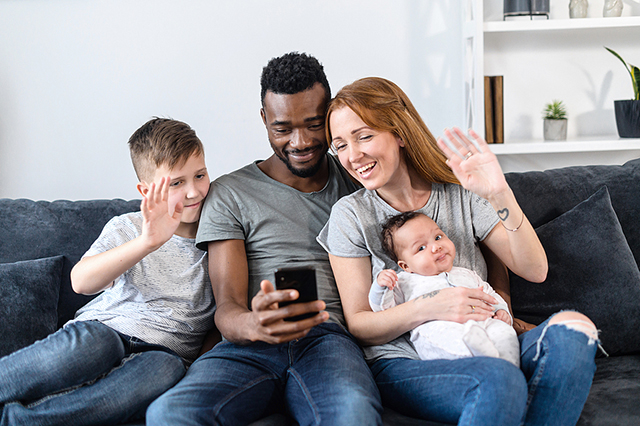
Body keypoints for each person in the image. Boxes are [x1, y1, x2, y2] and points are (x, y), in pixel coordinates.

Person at [317, 76, 598, 426]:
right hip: (408, 362)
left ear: (400, 133)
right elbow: (360, 323)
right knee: (497, 379)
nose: (352, 156)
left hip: (490, 339)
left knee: (576, 330)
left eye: (364, 136)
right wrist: (432, 306)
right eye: (340, 145)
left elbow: (535, 269)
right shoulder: (350, 215)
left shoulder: (460, 193)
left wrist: (499, 193)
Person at [147, 52, 382, 426]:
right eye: (283, 128)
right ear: (263, 120)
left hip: (327, 339)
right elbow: (227, 308)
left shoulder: (359, 177)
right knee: (169, 413)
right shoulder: (230, 193)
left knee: (353, 415)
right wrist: (254, 324)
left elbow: (448, 210)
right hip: (249, 344)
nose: (300, 141)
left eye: (313, 124)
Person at [0, 118, 215, 425]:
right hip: (107, 329)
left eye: (200, 175)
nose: (194, 192)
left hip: (164, 353)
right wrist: (147, 242)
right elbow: (81, 282)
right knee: (98, 346)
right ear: (146, 190)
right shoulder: (129, 226)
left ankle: (16, 421)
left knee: (166, 370)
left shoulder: (220, 234)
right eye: (177, 183)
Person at [371, 211, 520, 367]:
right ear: (406, 266)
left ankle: (509, 364)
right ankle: (489, 359)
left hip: (483, 323)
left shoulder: (466, 274)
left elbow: (490, 294)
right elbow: (384, 310)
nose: (436, 247)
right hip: (441, 333)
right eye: (421, 248)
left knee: (504, 332)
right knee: (447, 338)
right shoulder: (404, 282)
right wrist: (381, 287)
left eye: (438, 237)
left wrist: (503, 311)